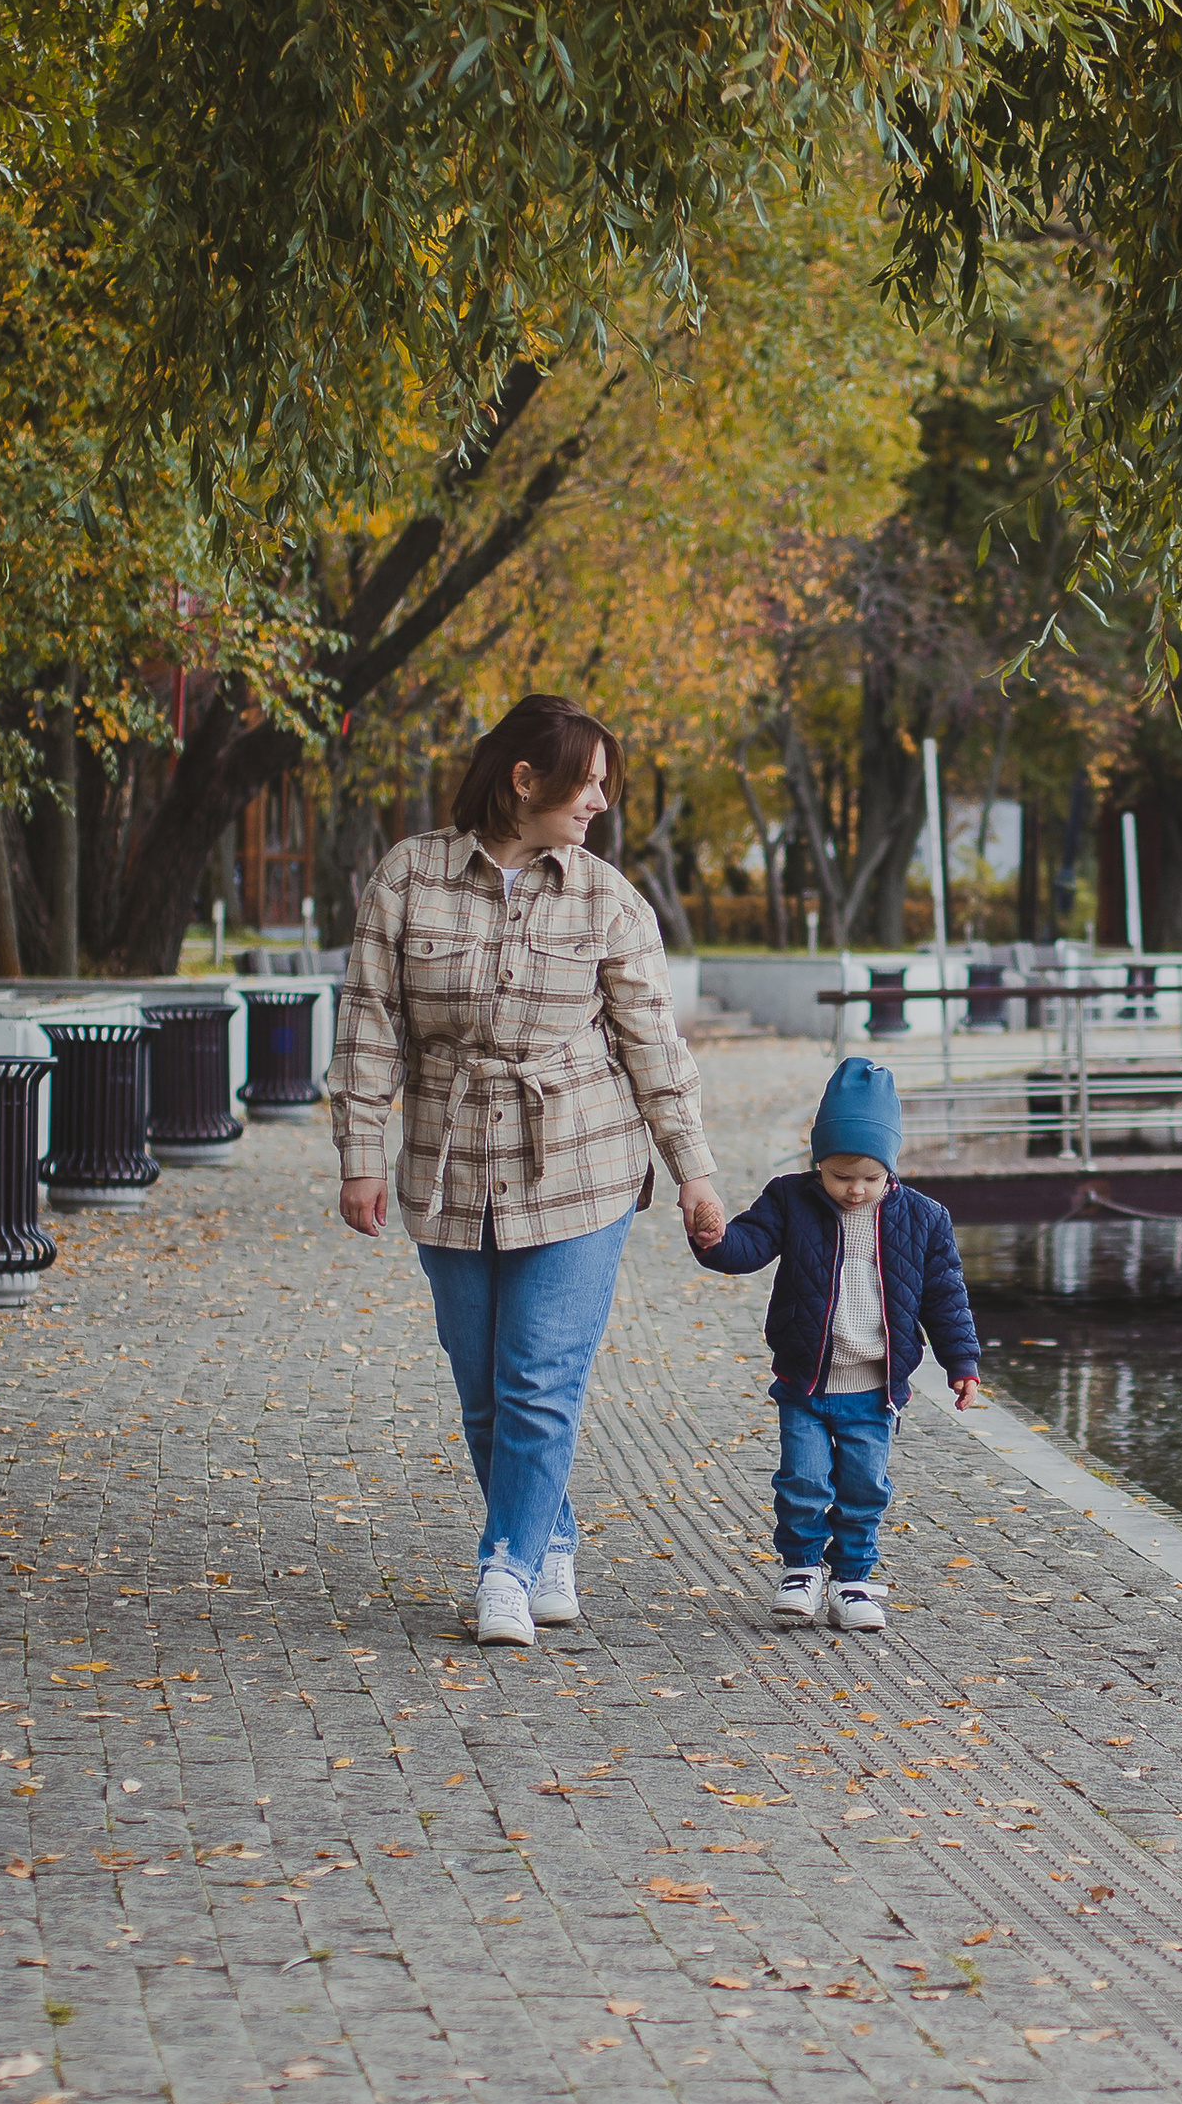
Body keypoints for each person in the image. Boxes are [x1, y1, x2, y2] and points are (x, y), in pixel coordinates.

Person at [330, 693, 727, 1649]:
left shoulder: (608, 901)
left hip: (578, 1165)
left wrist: (697, 1177)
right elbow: (368, 1023)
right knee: (483, 1388)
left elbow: (654, 1051)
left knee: (539, 1377)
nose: (599, 802)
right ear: (523, 780)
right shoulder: (409, 877)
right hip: (448, 1162)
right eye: (587, 782)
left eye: (603, 786)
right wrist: (358, 1156)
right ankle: (549, 1540)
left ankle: (503, 1567)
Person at [698, 1055, 980, 1634]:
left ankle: (853, 1577)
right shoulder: (789, 1199)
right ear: (817, 1163)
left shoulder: (924, 1218)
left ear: (890, 1172)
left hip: (874, 1389)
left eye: (870, 1179)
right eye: (840, 1176)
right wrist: (714, 1240)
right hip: (807, 1379)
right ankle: (801, 1569)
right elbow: (748, 1247)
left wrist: (961, 1361)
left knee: (863, 1487)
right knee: (802, 1481)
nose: (855, 1191)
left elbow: (944, 1296)